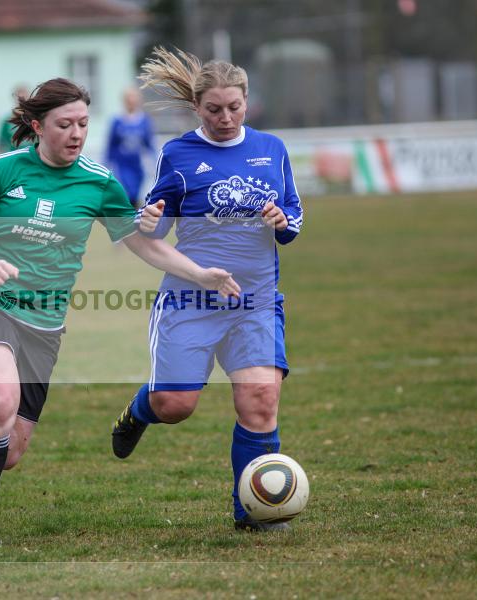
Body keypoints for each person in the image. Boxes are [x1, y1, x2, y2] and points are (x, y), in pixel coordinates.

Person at [0, 77, 240, 549]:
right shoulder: (5, 170)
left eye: (83, 124)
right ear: (37, 125)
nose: (76, 133)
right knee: (1, 402)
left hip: (44, 326)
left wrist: (200, 273)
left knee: (6, 453)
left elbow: (142, 245)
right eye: (64, 124)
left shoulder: (98, 181)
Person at [109, 48, 304, 532]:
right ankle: (138, 411)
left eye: (234, 107)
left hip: (254, 301)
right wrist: (150, 218)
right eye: (214, 109)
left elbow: (293, 219)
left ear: (246, 101)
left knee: (260, 401)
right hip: (190, 299)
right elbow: (151, 231)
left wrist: (282, 221)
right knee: (175, 406)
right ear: (197, 107)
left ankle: (253, 511)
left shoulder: (272, 149)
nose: (225, 117)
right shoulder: (178, 154)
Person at [104, 87, 155, 205]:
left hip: (137, 165)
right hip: (122, 165)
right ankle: (127, 217)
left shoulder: (144, 120)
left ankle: (134, 217)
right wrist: (107, 164)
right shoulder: (117, 121)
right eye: (129, 100)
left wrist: (153, 162)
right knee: (126, 192)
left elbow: (149, 144)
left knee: (135, 194)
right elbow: (110, 145)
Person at [0, 84, 33, 155]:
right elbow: (0, 145)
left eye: (24, 98)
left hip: (32, 159)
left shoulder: (36, 119)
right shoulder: (7, 121)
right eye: (19, 98)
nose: (21, 101)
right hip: (14, 160)